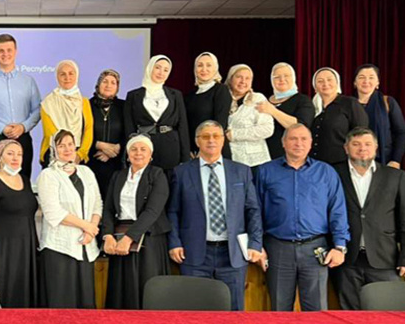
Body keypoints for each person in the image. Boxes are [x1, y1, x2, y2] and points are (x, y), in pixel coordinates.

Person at [167, 121, 264, 311]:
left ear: (223, 140)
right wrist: (174, 242)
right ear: (197, 141)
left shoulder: (241, 171)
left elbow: (252, 210)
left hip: (232, 253)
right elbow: (173, 211)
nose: (211, 140)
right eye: (205, 136)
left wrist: (255, 243)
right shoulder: (182, 172)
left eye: (216, 136)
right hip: (194, 252)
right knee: (194, 311)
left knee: (233, 311)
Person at [256, 124, 349, 311]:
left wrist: (340, 246)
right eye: (293, 139)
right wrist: (256, 245)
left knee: (316, 312)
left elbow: (338, 211)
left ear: (311, 143)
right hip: (278, 248)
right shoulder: (265, 171)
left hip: (316, 249)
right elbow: (255, 211)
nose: (298, 143)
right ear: (283, 142)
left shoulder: (326, 172)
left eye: (303, 139)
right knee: (279, 310)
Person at [331, 128, 405, 309]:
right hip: (347, 259)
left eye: (367, 144)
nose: (362, 148)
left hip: (385, 258)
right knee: (350, 317)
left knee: (387, 315)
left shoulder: (395, 176)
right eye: (356, 144)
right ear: (346, 148)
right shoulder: (333, 173)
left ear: (376, 148)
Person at [101, 135, 171, 310]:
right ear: (127, 154)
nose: (138, 153)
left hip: (148, 238)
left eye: (143, 149)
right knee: (121, 291)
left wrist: (129, 238)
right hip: (119, 238)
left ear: (150, 154)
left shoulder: (157, 175)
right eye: (133, 149)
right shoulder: (118, 176)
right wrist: (107, 235)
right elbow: (108, 208)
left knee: (147, 290)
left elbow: (152, 211)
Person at [37, 130, 103, 308]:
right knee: (62, 305)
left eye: (70, 144)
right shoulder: (48, 175)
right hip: (59, 247)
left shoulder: (86, 172)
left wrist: (91, 229)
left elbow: (97, 203)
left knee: (85, 306)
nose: (67, 149)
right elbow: (53, 212)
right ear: (54, 149)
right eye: (61, 145)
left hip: (86, 246)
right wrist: (88, 227)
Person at [0, 139, 39, 308]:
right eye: (10, 154)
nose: (15, 158)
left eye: (19, 154)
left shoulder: (25, 181)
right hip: (2, 253)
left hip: (25, 252)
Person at [0, 34, 41, 180]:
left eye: (9, 50)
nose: (5, 54)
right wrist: (2, 128)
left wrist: (23, 127)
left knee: (22, 182)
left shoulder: (28, 81)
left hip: (22, 139)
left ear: (15, 51)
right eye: (1, 51)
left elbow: (38, 110)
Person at [123, 55, 190, 173]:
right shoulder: (133, 95)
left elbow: (182, 126)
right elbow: (129, 127)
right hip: (143, 149)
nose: (161, 73)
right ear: (150, 68)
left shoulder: (176, 95)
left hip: (170, 149)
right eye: (158, 67)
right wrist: (131, 151)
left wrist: (185, 158)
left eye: (166, 70)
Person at [39, 60, 94, 167]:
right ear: (57, 77)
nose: (67, 77)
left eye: (71, 73)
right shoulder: (48, 102)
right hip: (54, 152)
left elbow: (88, 129)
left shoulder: (84, 102)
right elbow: (50, 132)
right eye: (62, 74)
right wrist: (65, 153)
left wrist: (80, 154)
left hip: (78, 155)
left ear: (76, 75)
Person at [310, 67, 368, 165]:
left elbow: (361, 134)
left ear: (337, 83)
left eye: (329, 80)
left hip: (341, 163)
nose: (325, 84)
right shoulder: (311, 106)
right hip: (314, 164)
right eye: (320, 81)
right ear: (315, 87)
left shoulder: (350, 103)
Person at [258, 62, 314, 160]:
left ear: (294, 78)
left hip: (289, 158)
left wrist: (273, 111)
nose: (282, 79)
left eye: (286, 76)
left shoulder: (303, 100)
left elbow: (301, 127)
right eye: (277, 77)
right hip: (263, 156)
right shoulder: (264, 100)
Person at [353, 64, 405, 168]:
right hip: (354, 161)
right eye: (362, 77)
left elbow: (401, 133)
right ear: (355, 82)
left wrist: (395, 160)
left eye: (371, 77)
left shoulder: (387, 102)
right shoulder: (347, 104)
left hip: (384, 161)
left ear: (377, 83)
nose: (366, 81)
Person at [225, 64, 274, 168]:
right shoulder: (222, 98)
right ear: (230, 79)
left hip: (255, 162)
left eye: (247, 78)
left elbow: (267, 129)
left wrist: (235, 134)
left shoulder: (258, 98)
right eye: (239, 77)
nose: (243, 81)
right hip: (229, 160)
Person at [185, 52, 232, 157]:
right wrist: (190, 149)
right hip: (194, 152)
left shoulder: (221, 90)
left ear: (215, 68)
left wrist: (204, 149)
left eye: (209, 65)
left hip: (214, 149)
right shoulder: (190, 96)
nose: (204, 69)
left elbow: (219, 124)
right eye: (200, 65)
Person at [88, 69, 126, 197]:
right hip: (92, 161)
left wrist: (117, 147)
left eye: (113, 82)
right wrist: (99, 145)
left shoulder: (123, 106)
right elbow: (81, 132)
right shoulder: (87, 105)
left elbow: (129, 132)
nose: (108, 85)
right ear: (98, 85)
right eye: (105, 81)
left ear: (117, 87)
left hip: (117, 163)